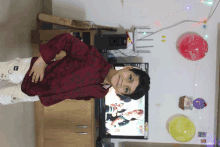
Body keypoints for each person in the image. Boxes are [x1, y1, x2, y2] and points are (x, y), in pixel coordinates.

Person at [0, 33, 150, 106]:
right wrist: (42, 61)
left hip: (37, 93)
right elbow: (66, 39)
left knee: (3, 98)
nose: (123, 82)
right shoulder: (93, 59)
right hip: (32, 70)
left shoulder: (100, 92)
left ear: (121, 93)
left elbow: (75, 95)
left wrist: (50, 97)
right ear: (128, 68)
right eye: (129, 78)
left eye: (126, 89)